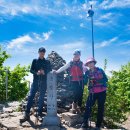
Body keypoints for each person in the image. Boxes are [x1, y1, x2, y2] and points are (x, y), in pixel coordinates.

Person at [20, 47, 52, 123]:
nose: (42, 53)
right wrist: (36, 73)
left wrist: (45, 72)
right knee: (31, 96)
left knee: (41, 98)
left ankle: (39, 114)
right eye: (41, 52)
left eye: (43, 52)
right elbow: (31, 70)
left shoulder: (47, 61)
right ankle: (26, 114)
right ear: (38, 52)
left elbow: (50, 69)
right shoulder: (35, 60)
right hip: (35, 81)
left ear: (44, 53)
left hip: (44, 82)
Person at [81, 57, 108, 130]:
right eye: (89, 63)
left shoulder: (100, 70)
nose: (90, 64)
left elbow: (106, 79)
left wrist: (96, 81)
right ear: (87, 65)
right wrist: (85, 76)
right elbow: (86, 82)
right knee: (88, 107)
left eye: (91, 62)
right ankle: (85, 124)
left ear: (94, 63)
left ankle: (98, 126)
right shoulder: (87, 72)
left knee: (100, 108)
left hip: (102, 92)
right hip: (92, 92)